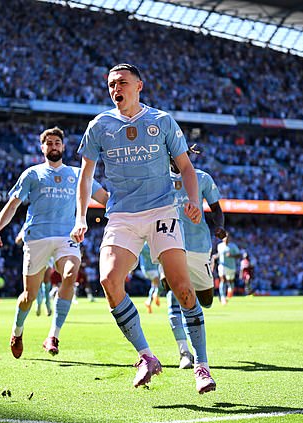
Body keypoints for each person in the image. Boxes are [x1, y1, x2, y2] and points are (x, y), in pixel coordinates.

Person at [71, 63, 215, 394]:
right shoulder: (99, 126)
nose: (115, 88)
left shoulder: (161, 121)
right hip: (121, 215)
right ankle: (146, 356)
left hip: (162, 210)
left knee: (181, 287)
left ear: (139, 86)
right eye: (110, 85)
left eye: (121, 82)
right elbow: (85, 176)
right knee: (108, 279)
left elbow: (187, 168)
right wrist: (81, 217)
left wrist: (193, 201)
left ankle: (202, 365)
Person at [0, 127, 108, 359]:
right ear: (42, 148)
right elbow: (12, 205)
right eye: (49, 143)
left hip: (66, 237)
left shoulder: (77, 174)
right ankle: (17, 331)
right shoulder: (32, 174)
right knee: (28, 297)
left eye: (57, 143)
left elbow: (104, 198)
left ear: (63, 147)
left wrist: (129, 210)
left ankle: (53, 335)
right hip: (37, 239)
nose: (53, 146)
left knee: (71, 274)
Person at [162, 151, 226, 368]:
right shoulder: (159, 180)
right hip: (169, 242)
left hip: (199, 247)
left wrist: (219, 226)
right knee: (173, 294)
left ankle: (193, 322)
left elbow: (217, 209)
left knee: (206, 300)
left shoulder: (203, 178)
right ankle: (184, 352)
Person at [214, 235, 241, 305]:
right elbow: (219, 254)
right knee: (222, 280)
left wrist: (231, 255)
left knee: (231, 281)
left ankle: (230, 291)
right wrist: (215, 256)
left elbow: (239, 255)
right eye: (224, 237)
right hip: (222, 265)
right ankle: (223, 297)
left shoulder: (233, 246)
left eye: (227, 237)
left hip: (231, 267)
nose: (226, 239)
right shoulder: (219, 246)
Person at [139, 243, 160, 313]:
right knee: (158, 282)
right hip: (148, 269)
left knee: (154, 285)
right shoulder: (144, 245)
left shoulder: (154, 245)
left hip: (153, 269)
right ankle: (156, 293)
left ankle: (148, 301)